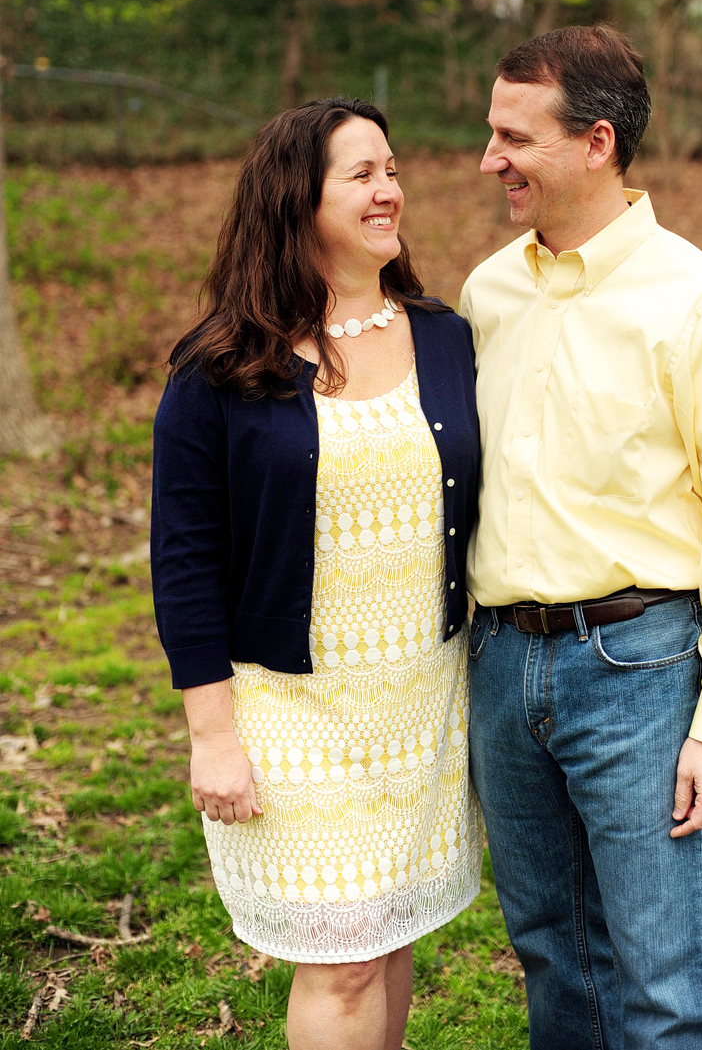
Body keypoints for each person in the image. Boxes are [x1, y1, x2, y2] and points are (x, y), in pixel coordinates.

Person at [458, 24, 702, 1050]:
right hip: (503, 670)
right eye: (488, 131)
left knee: (664, 984)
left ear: (596, 142)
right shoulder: (486, 294)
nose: (488, 160)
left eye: (515, 136)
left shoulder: (698, 300)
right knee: (556, 962)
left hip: (640, 669)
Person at [151, 97, 482, 1050]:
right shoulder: (220, 366)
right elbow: (183, 558)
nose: (391, 190)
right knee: (339, 960)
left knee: (383, 933)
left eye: (392, 168)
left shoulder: (446, 338)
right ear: (298, 198)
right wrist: (209, 733)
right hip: (287, 708)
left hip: (421, 694)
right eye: (363, 174)